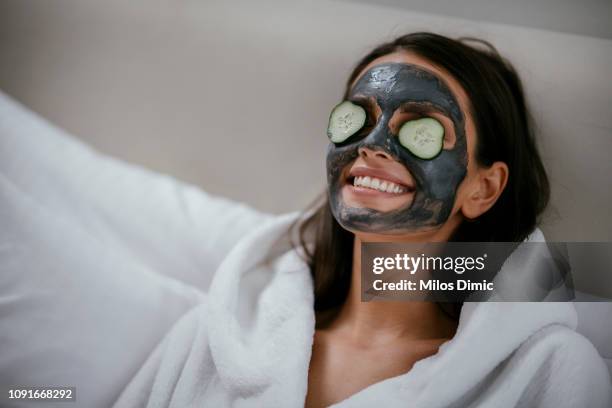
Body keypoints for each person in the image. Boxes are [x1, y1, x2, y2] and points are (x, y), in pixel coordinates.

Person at [0, 32, 610, 407]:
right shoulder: (217, 335)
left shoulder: (547, 374)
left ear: (483, 188)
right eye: (357, 117)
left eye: (419, 129)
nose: (371, 145)